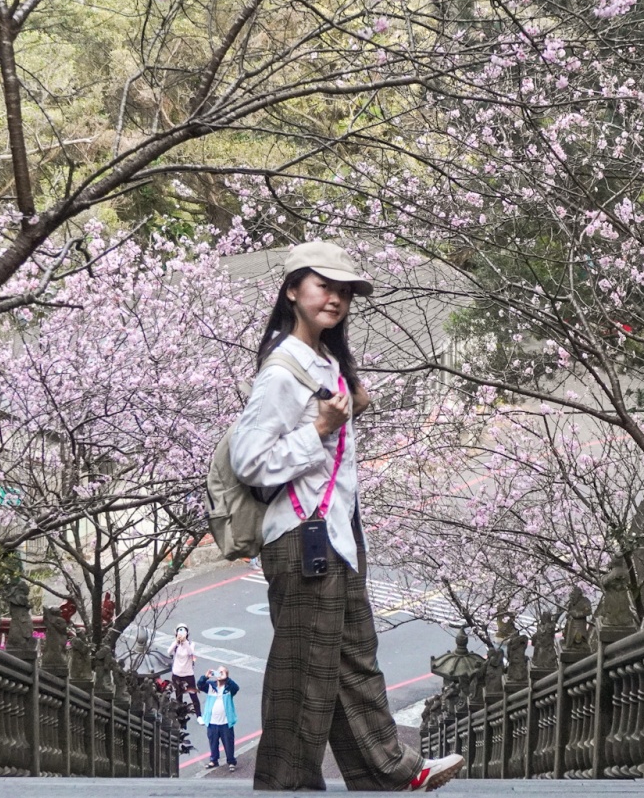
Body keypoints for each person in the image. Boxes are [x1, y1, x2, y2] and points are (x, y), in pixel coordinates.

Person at [229, 242, 465, 792]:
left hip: (334, 536)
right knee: (305, 673)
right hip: (301, 538)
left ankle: (388, 773)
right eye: (323, 286)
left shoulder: (327, 363)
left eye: (344, 290)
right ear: (292, 290)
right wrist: (318, 430)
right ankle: (285, 786)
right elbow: (250, 462)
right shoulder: (283, 370)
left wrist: (345, 412)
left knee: (353, 658)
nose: (335, 298)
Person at [198, 666, 241, 770]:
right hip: (212, 721)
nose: (219, 674)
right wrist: (205, 677)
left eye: (222, 672)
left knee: (228, 742)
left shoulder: (229, 687)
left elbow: (236, 688)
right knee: (213, 742)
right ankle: (214, 760)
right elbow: (199, 685)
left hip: (226, 722)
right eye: (218, 672)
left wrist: (227, 679)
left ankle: (231, 761)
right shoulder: (210, 686)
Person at [170, 624, 202, 719]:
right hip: (177, 674)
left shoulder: (191, 644)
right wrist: (177, 642)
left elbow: (190, 652)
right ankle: (180, 716)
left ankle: (199, 716)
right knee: (178, 696)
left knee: (193, 695)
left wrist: (185, 642)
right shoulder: (175, 644)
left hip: (188, 674)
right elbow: (169, 651)